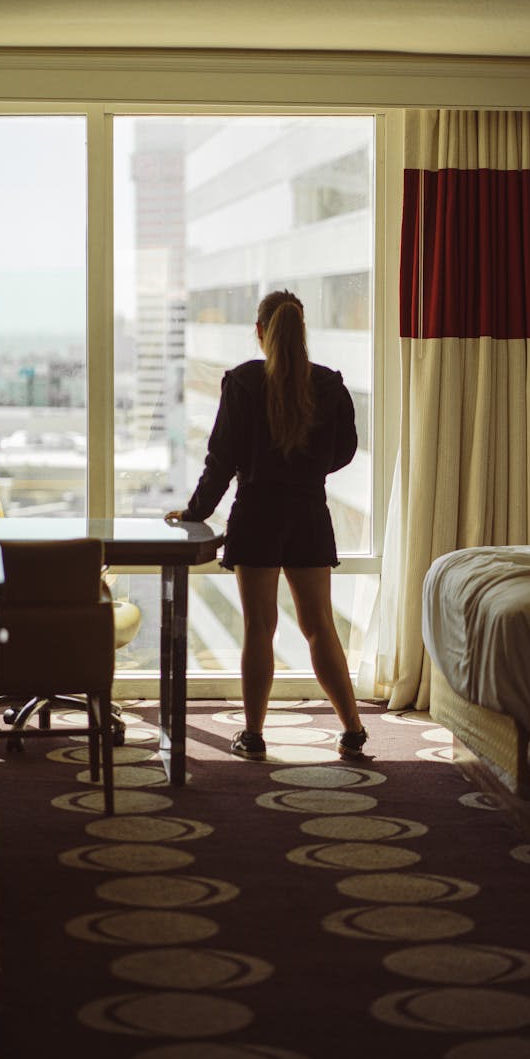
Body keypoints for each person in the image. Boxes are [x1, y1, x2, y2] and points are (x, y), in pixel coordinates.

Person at [165, 288, 368, 762]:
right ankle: (353, 728)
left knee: (260, 627)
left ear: (260, 332)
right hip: (308, 515)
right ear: (302, 332)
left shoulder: (242, 383)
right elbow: (344, 451)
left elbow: (220, 461)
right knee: (319, 626)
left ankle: (253, 735)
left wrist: (194, 512)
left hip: (257, 514)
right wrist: (306, 468)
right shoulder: (329, 384)